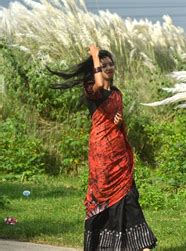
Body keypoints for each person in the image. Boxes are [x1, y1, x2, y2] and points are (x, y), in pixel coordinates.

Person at [48, 45, 157, 250]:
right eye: (103, 65)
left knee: (129, 196)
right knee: (104, 200)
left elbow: (118, 122)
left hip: (119, 154)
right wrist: (95, 56)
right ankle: (104, 245)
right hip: (102, 156)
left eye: (110, 64)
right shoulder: (92, 90)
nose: (108, 67)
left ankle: (142, 245)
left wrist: (119, 121)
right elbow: (99, 82)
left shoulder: (117, 94)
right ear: (96, 68)